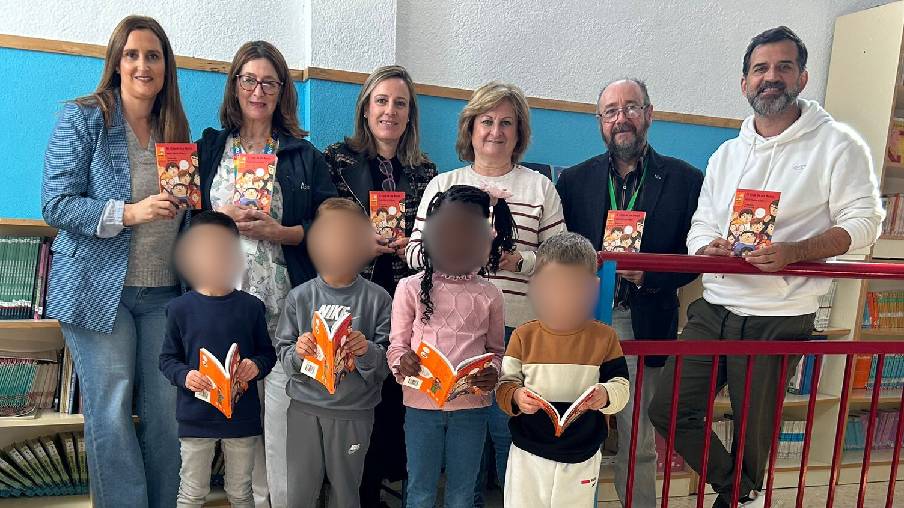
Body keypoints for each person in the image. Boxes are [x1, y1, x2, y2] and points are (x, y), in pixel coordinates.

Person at [649, 26, 884, 508]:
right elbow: (699, 224)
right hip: (714, 308)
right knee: (668, 407)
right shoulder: (727, 154)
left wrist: (795, 251)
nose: (770, 77)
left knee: (754, 428)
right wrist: (705, 248)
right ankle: (738, 490)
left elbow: (865, 223)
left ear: (802, 77)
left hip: (780, 315)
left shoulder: (838, 145)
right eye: (760, 69)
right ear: (744, 83)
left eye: (782, 67)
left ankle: (738, 494)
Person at [41, 15, 189, 508]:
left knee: (167, 419)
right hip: (97, 291)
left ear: (166, 67)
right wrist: (128, 213)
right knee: (109, 415)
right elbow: (56, 203)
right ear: (116, 62)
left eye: (153, 56)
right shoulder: (83, 117)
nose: (143, 65)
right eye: (132, 54)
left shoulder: (177, 130)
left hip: (165, 292)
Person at [404, 82, 566, 497]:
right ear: (470, 128)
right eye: (487, 121)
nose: (496, 131)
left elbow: (559, 258)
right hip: (450, 337)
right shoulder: (444, 185)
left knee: (509, 435)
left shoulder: (539, 188)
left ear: (519, 133)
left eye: (507, 123)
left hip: (517, 332)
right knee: (465, 452)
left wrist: (520, 263)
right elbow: (413, 253)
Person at [197, 40, 336, 507]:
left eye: (269, 82)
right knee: (235, 425)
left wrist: (285, 231)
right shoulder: (210, 147)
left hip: (281, 305)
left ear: (282, 92)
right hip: (221, 304)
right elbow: (184, 220)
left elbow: (329, 226)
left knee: (279, 425)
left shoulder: (301, 155)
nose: (259, 90)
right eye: (250, 79)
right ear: (235, 85)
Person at [555, 78, 703, 507]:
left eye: (631, 108)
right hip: (582, 321)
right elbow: (558, 250)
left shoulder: (684, 180)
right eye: (611, 111)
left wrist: (650, 274)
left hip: (644, 319)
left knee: (638, 439)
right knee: (576, 425)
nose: (621, 119)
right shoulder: (574, 180)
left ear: (649, 114)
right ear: (599, 121)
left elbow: (693, 256)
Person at [322, 65, 437, 506]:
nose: (390, 111)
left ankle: (391, 490)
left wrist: (416, 244)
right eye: (382, 101)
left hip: (410, 299)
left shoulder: (426, 171)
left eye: (400, 103)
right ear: (366, 108)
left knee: (398, 402)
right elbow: (322, 228)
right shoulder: (336, 159)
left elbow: (436, 238)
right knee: (356, 401)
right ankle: (357, 493)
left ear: (410, 115)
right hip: (355, 295)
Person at [389, 185, 511, 508]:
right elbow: (396, 346)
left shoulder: (490, 295)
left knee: (462, 493)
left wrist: (492, 374)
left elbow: (497, 353)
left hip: (471, 408)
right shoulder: (409, 288)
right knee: (420, 491)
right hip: (420, 406)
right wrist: (403, 362)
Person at [496, 232, 630, 508]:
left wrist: (605, 395)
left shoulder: (604, 338)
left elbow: (621, 386)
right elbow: (505, 386)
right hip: (528, 452)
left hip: (582, 452)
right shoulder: (524, 336)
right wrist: (517, 397)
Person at [274, 198, 392, 508]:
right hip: (304, 409)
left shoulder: (378, 298)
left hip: (354, 413)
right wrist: (300, 352)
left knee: (346, 492)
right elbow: (284, 354)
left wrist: (365, 350)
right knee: (300, 492)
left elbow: (388, 361)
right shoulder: (299, 297)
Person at [159, 211, 277, 508]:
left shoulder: (251, 307)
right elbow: (167, 359)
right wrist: (185, 375)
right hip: (195, 418)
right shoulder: (179, 309)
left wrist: (256, 365)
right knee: (191, 493)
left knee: (240, 493)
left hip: (241, 418)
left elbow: (267, 354)